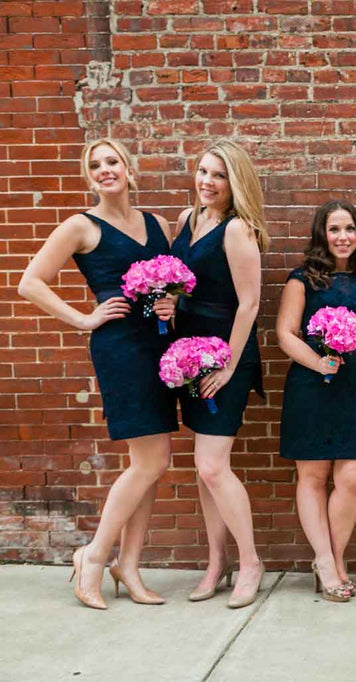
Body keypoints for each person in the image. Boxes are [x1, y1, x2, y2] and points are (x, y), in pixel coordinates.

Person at [19, 138, 177, 609]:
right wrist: (85, 319)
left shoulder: (158, 224)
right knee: (153, 460)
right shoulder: (80, 227)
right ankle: (92, 555)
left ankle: (128, 565)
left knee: (145, 466)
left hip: (159, 347)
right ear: (90, 177)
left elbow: (170, 285)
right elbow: (29, 282)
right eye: (95, 165)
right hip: (121, 349)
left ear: (129, 169)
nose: (105, 170)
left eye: (112, 162)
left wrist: (173, 304)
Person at [171, 140, 267, 608]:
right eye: (203, 171)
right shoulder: (188, 222)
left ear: (236, 184)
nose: (206, 181)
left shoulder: (237, 230)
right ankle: (217, 562)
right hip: (189, 356)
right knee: (202, 469)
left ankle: (250, 562)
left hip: (226, 359)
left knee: (212, 465)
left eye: (218, 175)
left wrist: (228, 365)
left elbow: (249, 303)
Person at [277, 201, 356, 603]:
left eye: (350, 229)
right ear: (322, 234)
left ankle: (334, 558)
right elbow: (286, 333)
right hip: (312, 386)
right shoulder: (302, 279)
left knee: (353, 476)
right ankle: (326, 562)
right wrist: (319, 362)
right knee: (313, 477)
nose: (343, 237)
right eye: (335, 229)